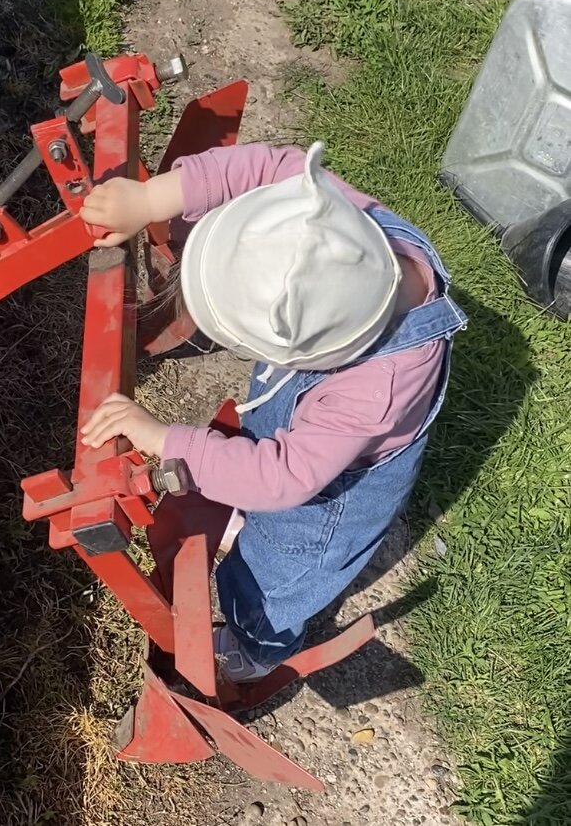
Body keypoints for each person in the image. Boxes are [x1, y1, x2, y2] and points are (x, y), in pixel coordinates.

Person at [78, 142, 468, 683]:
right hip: (313, 435)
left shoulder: (376, 387)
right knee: (265, 468)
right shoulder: (337, 225)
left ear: (311, 354)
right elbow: (266, 167)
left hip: (326, 501)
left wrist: (165, 438)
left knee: (274, 576)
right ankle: (245, 522)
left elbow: (282, 479)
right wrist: (149, 198)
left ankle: (257, 647)